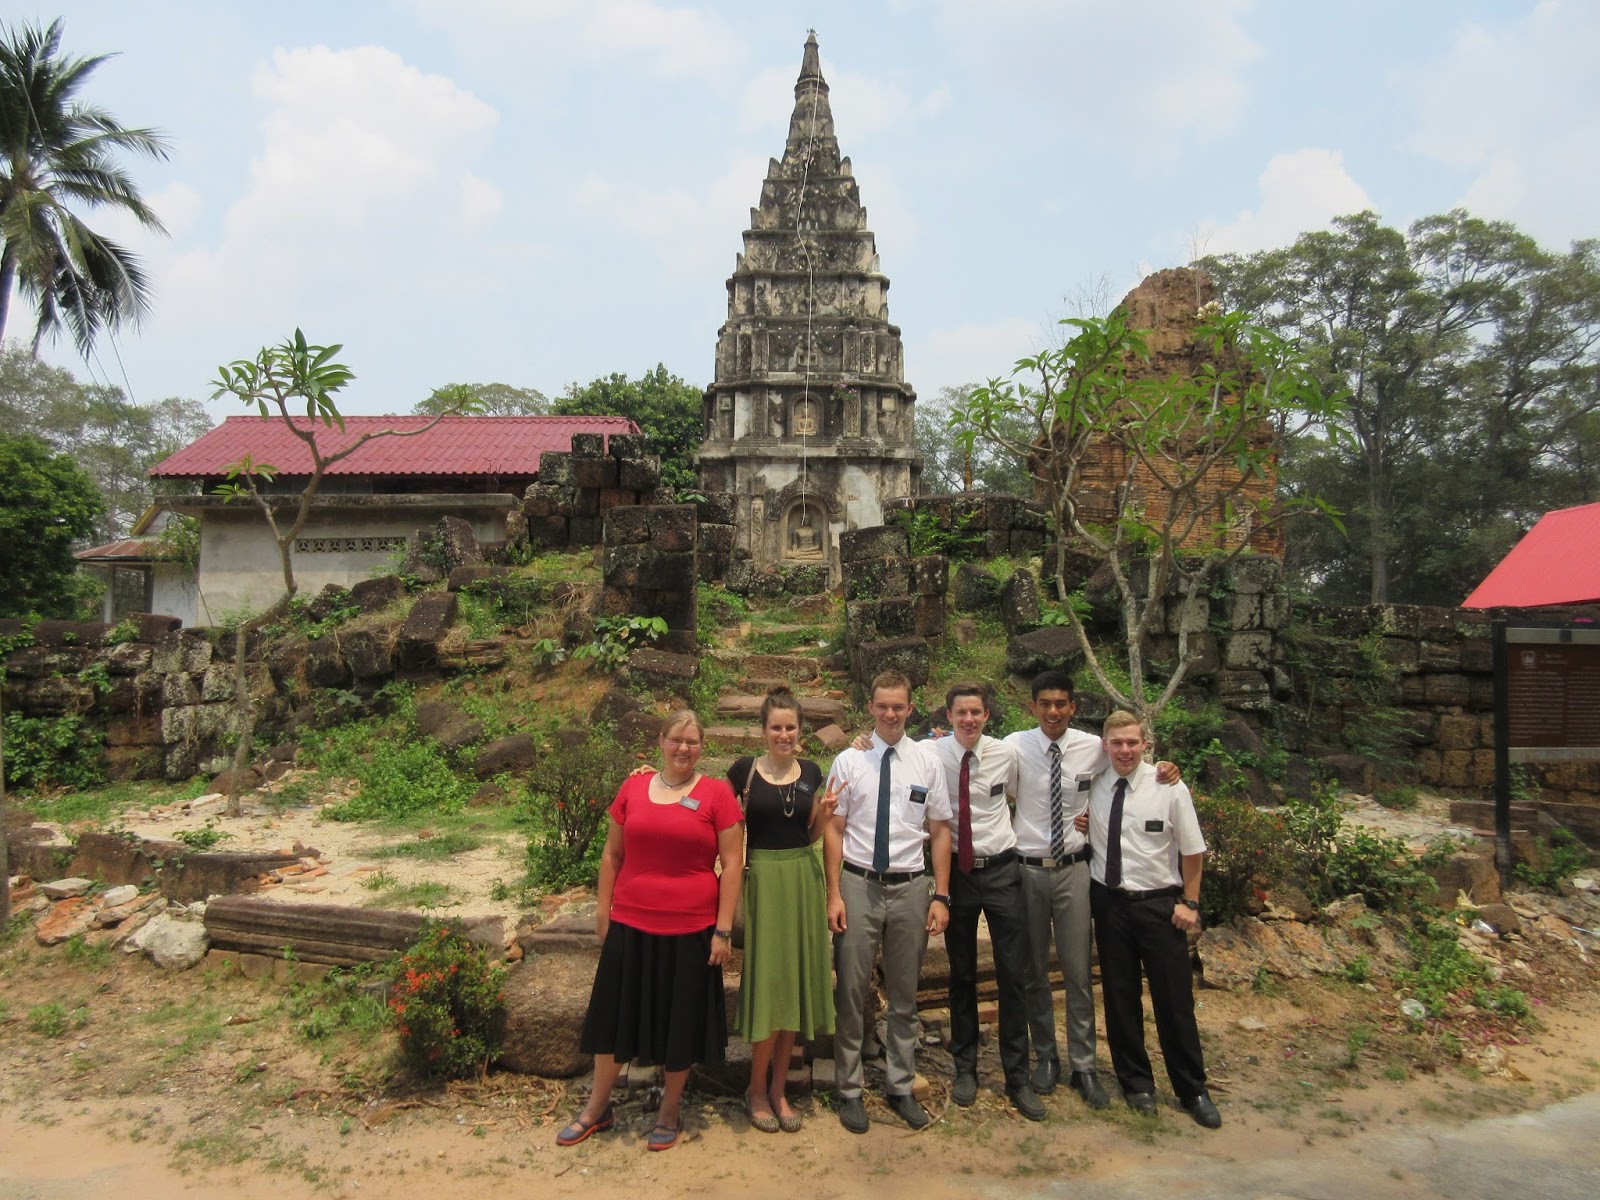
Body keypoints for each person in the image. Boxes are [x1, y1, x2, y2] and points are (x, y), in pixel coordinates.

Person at [557, 710, 744, 1152]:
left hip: (692, 929)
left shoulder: (717, 794)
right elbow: (612, 854)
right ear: (661, 741)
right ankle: (597, 1107)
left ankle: (669, 1110)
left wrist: (722, 931)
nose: (684, 748)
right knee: (613, 1017)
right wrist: (603, 911)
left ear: (702, 747)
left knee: (681, 1021)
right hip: (631, 924)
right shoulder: (633, 787)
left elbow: (734, 863)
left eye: (693, 741)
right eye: (676, 739)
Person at [1005, 671, 1179, 1110]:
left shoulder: (1092, 747)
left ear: (1073, 708)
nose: (1053, 712)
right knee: (1034, 971)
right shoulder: (1013, 746)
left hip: (1075, 871)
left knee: (1079, 972)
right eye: (1045, 703)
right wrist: (864, 744)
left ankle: (1083, 1064)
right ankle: (1047, 1056)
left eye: (1061, 703)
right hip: (1027, 871)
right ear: (1032, 707)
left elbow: (1129, 757)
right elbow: (963, 751)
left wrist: (1165, 767)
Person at [1077, 710, 1220, 1128]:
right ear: (1105, 746)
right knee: (1120, 997)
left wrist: (1190, 903)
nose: (1125, 750)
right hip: (1109, 903)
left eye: (1132, 743)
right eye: (1117, 743)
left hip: (1159, 906)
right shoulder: (1095, 785)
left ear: (1146, 744)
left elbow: (1192, 850)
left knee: (1174, 1000)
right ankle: (1136, 1082)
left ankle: (1192, 1088)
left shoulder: (1169, 787)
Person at [824, 669, 952, 1133]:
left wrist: (941, 895)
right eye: (883, 706)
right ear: (871, 708)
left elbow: (939, 830)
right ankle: (849, 1089)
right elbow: (833, 829)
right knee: (851, 989)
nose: (891, 714)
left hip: (910, 887)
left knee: (904, 993)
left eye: (898, 706)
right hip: (859, 883)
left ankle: (900, 1084)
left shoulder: (927, 762)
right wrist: (833, 893)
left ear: (910, 708)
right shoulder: (849, 761)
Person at [930, 683, 1044, 1121]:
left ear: (986, 716)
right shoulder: (930, 753)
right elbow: (888, 741)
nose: (969, 720)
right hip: (957, 874)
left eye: (976, 712)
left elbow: (1020, 793)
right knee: (961, 973)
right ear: (948, 716)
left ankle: (1018, 1075)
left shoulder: (1005, 754)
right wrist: (863, 740)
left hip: (1001, 871)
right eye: (961, 712)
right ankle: (965, 1067)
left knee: (1013, 972)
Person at [728, 687, 838, 1134]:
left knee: (792, 983)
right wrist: (649, 775)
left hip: (802, 879)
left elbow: (809, 836)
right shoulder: (743, 772)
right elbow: (706, 805)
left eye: (790, 727)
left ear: (800, 730)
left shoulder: (811, 771)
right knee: (769, 985)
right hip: (764, 882)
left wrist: (824, 815)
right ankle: (755, 1089)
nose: (784, 734)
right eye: (776, 727)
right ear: (763, 730)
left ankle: (778, 1090)